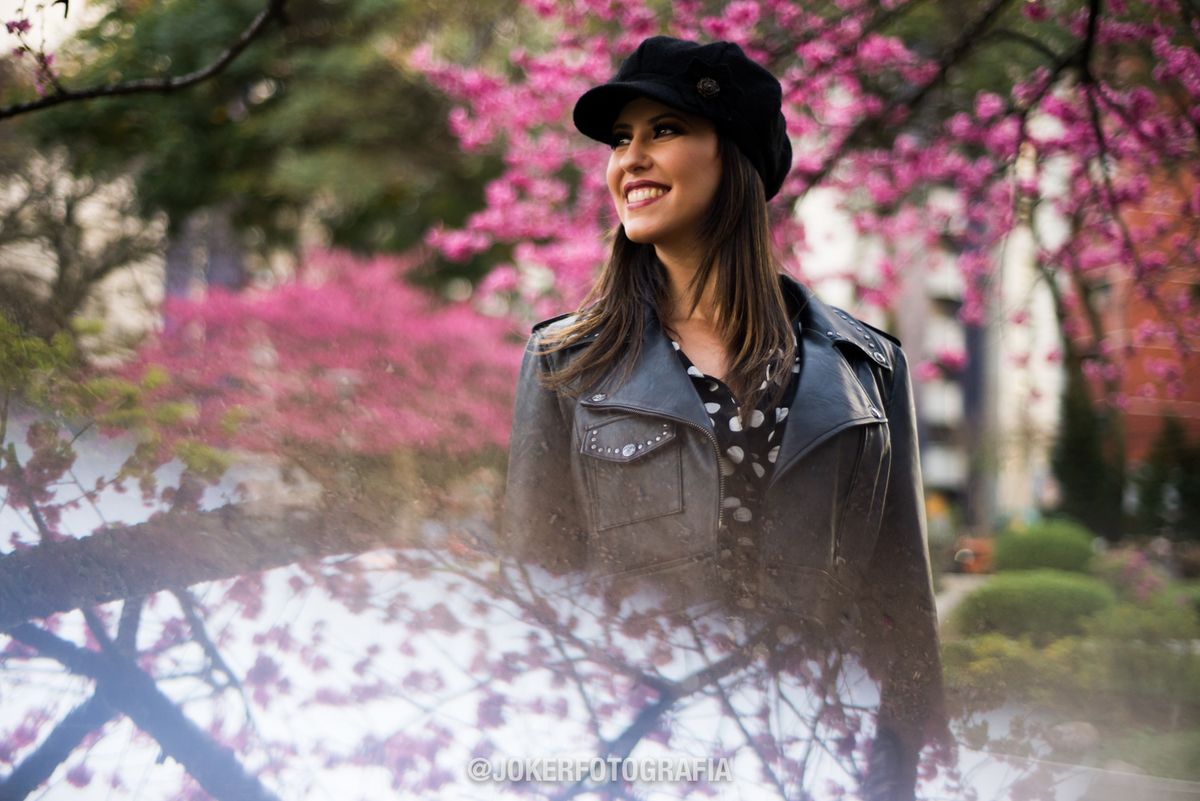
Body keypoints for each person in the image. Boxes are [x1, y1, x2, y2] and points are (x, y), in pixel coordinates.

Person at [503, 36, 945, 800]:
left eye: (664, 130)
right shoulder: (564, 363)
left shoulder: (870, 369)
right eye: (619, 140)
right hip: (641, 761)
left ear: (734, 155)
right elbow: (536, 600)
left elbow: (902, 613)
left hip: (820, 761)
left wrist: (906, 776)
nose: (629, 159)